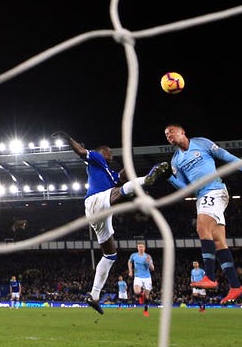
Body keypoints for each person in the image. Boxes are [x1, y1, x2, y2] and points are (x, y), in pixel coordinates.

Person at [55, 130, 168, 315]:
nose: (111, 154)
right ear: (101, 151)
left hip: (103, 212)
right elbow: (82, 152)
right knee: (122, 190)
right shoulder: (97, 158)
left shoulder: (110, 174)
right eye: (109, 151)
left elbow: (124, 174)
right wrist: (67, 138)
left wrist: (129, 153)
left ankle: (94, 296)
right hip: (95, 200)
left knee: (110, 256)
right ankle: (147, 179)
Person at [164, 123, 242, 304]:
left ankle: (210, 277)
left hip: (215, 191)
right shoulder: (175, 160)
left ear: (182, 131)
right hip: (201, 198)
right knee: (219, 242)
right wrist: (169, 177)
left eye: (171, 132)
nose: (169, 136)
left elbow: (228, 157)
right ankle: (235, 286)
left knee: (201, 226)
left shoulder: (202, 143)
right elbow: (185, 189)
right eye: (166, 135)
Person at [128, 241, 155, 317]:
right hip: (138, 277)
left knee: (147, 296)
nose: (141, 248)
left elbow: (152, 268)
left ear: (144, 248)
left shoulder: (148, 256)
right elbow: (129, 262)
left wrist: (149, 262)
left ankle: (146, 310)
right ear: (137, 248)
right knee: (137, 292)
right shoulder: (134, 255)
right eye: (139, 247)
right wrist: (130, 271)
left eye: (142, 247)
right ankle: (141, 294)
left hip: (147, 277)